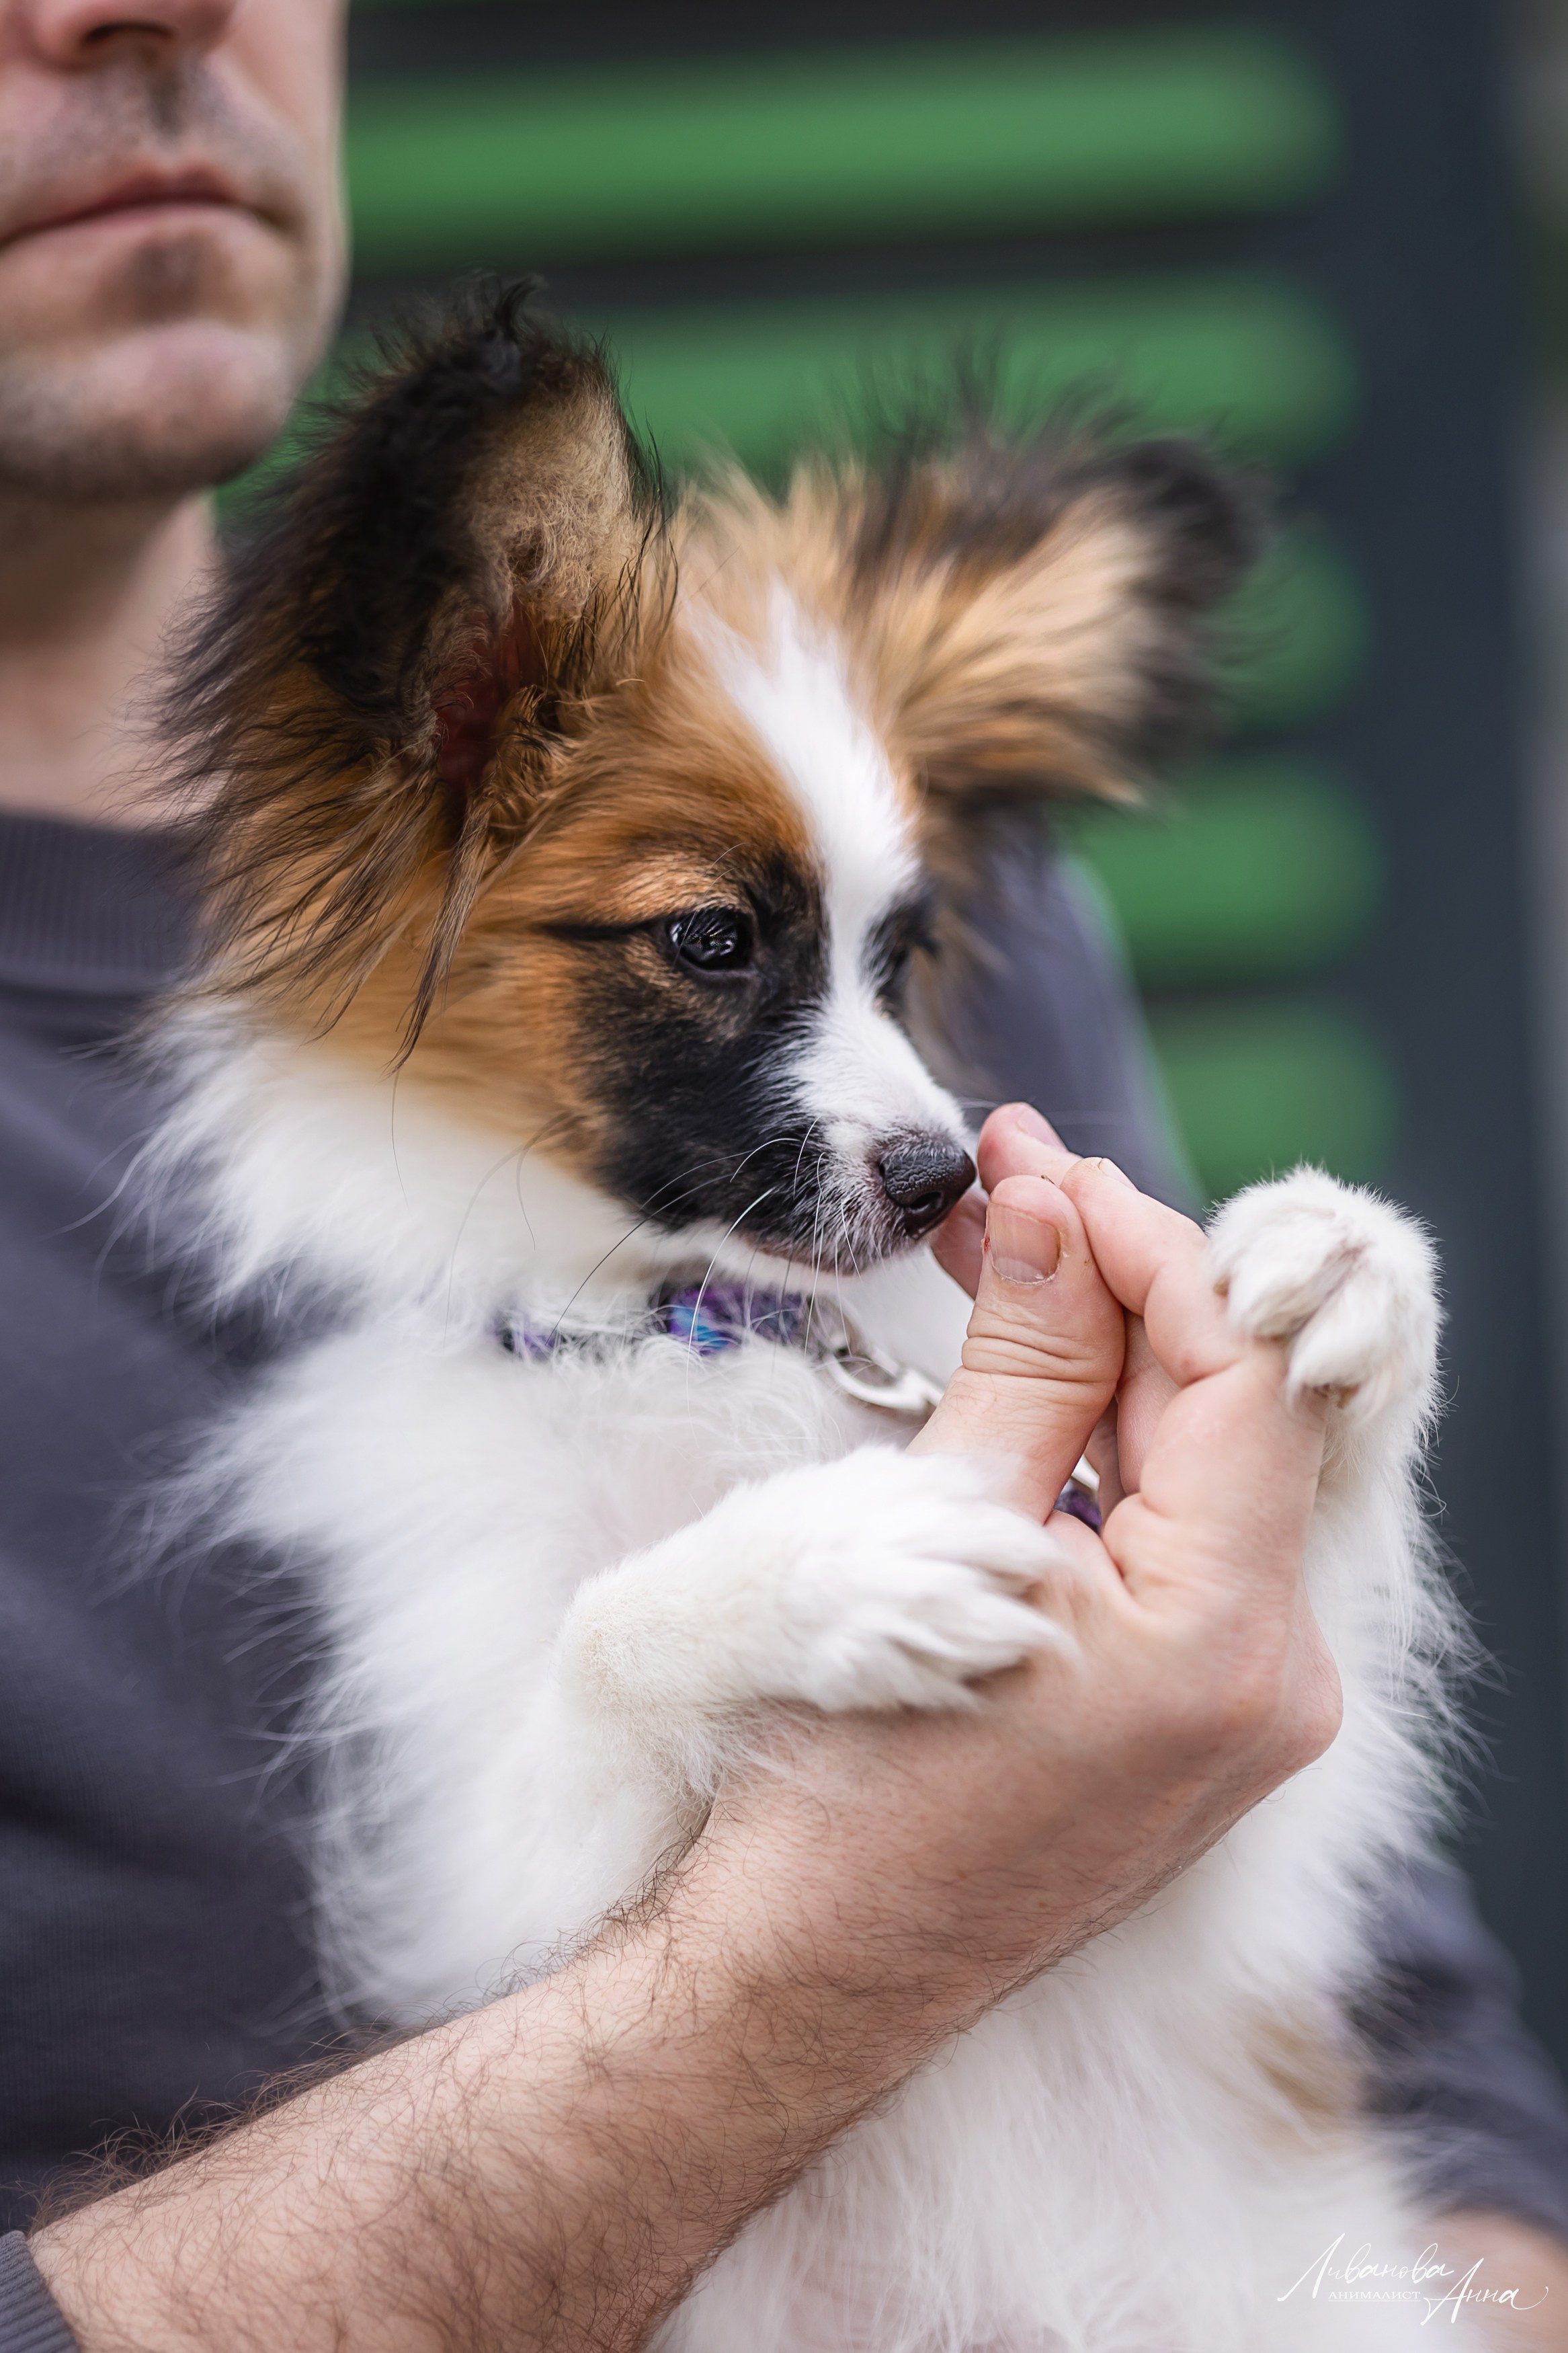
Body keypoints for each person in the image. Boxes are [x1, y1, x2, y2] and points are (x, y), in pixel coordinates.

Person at [0, 1, 1565, 2346]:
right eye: (716, 946)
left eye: (897, 947)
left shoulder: (906, 1020)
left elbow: (1391, 2010)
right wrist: (824, 1910)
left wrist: (1322, 1411)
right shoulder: (437, 1239)